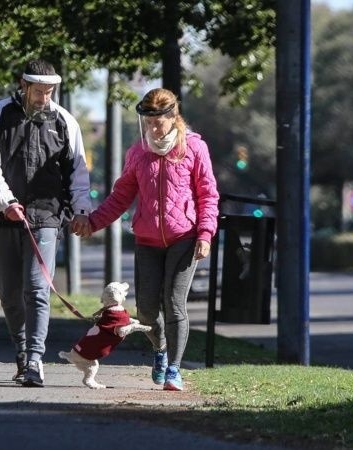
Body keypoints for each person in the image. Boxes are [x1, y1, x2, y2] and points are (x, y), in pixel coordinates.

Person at [74, 87, 219, 391]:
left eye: (158, 122)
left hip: (184, 237)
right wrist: (93, 222)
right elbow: (120, 196)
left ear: (173, 117)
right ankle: (161, 350)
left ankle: (175, 370)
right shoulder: (139, 152)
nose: (152, 128)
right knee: (147, 310)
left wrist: (205, 233)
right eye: (148, 122)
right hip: (147, 240)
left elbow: (208, 195)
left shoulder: (194, 148)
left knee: (175, 303)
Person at [0, 59, 92, 387]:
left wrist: (82, 210)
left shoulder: (65, 121)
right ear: (23, 86)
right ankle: (22, 351)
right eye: (38, 91)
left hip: (47, 217)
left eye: (49, 91)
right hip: (4, 216)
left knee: (37, 289)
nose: (44, 98)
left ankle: (35, 360)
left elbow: (78, 172)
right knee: (10, 292)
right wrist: (5, 201)